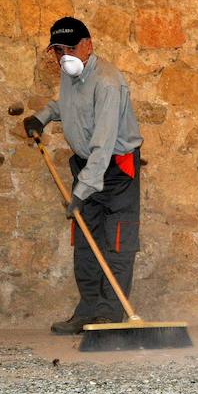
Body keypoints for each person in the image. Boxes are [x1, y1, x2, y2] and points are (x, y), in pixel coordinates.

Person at [23, 17, 144, 334]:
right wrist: (42, 117)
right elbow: (67, 106)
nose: (64, 56)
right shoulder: (71, 74)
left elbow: (103, 146)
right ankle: (88, 312)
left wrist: (80, 193)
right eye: (58, 50)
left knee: (117, 244)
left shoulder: (107, 82)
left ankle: (108, 316)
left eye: (70, 48)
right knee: (85, 244)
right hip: (87, 166)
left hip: (117, 170)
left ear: (88, 45)